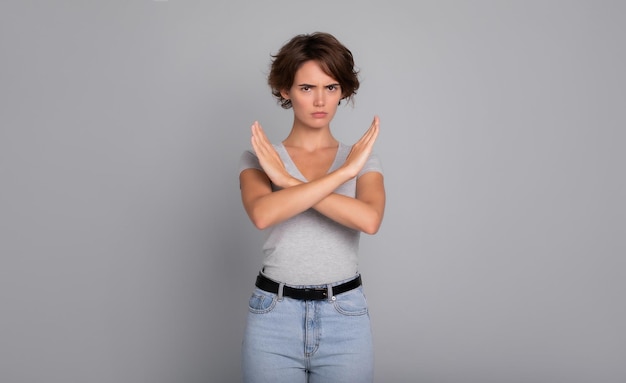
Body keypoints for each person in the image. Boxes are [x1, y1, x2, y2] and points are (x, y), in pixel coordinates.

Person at [238, 31, 385, 383]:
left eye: (331, 87)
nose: (320, 100)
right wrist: (338, 177)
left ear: (343, 91)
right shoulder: (259, 159)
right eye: (307, 88)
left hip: (344, 316)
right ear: (285, 90)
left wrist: (291, 182)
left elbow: (369, 220)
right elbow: (263, 213)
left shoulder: (361, 161)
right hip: (273, 315)